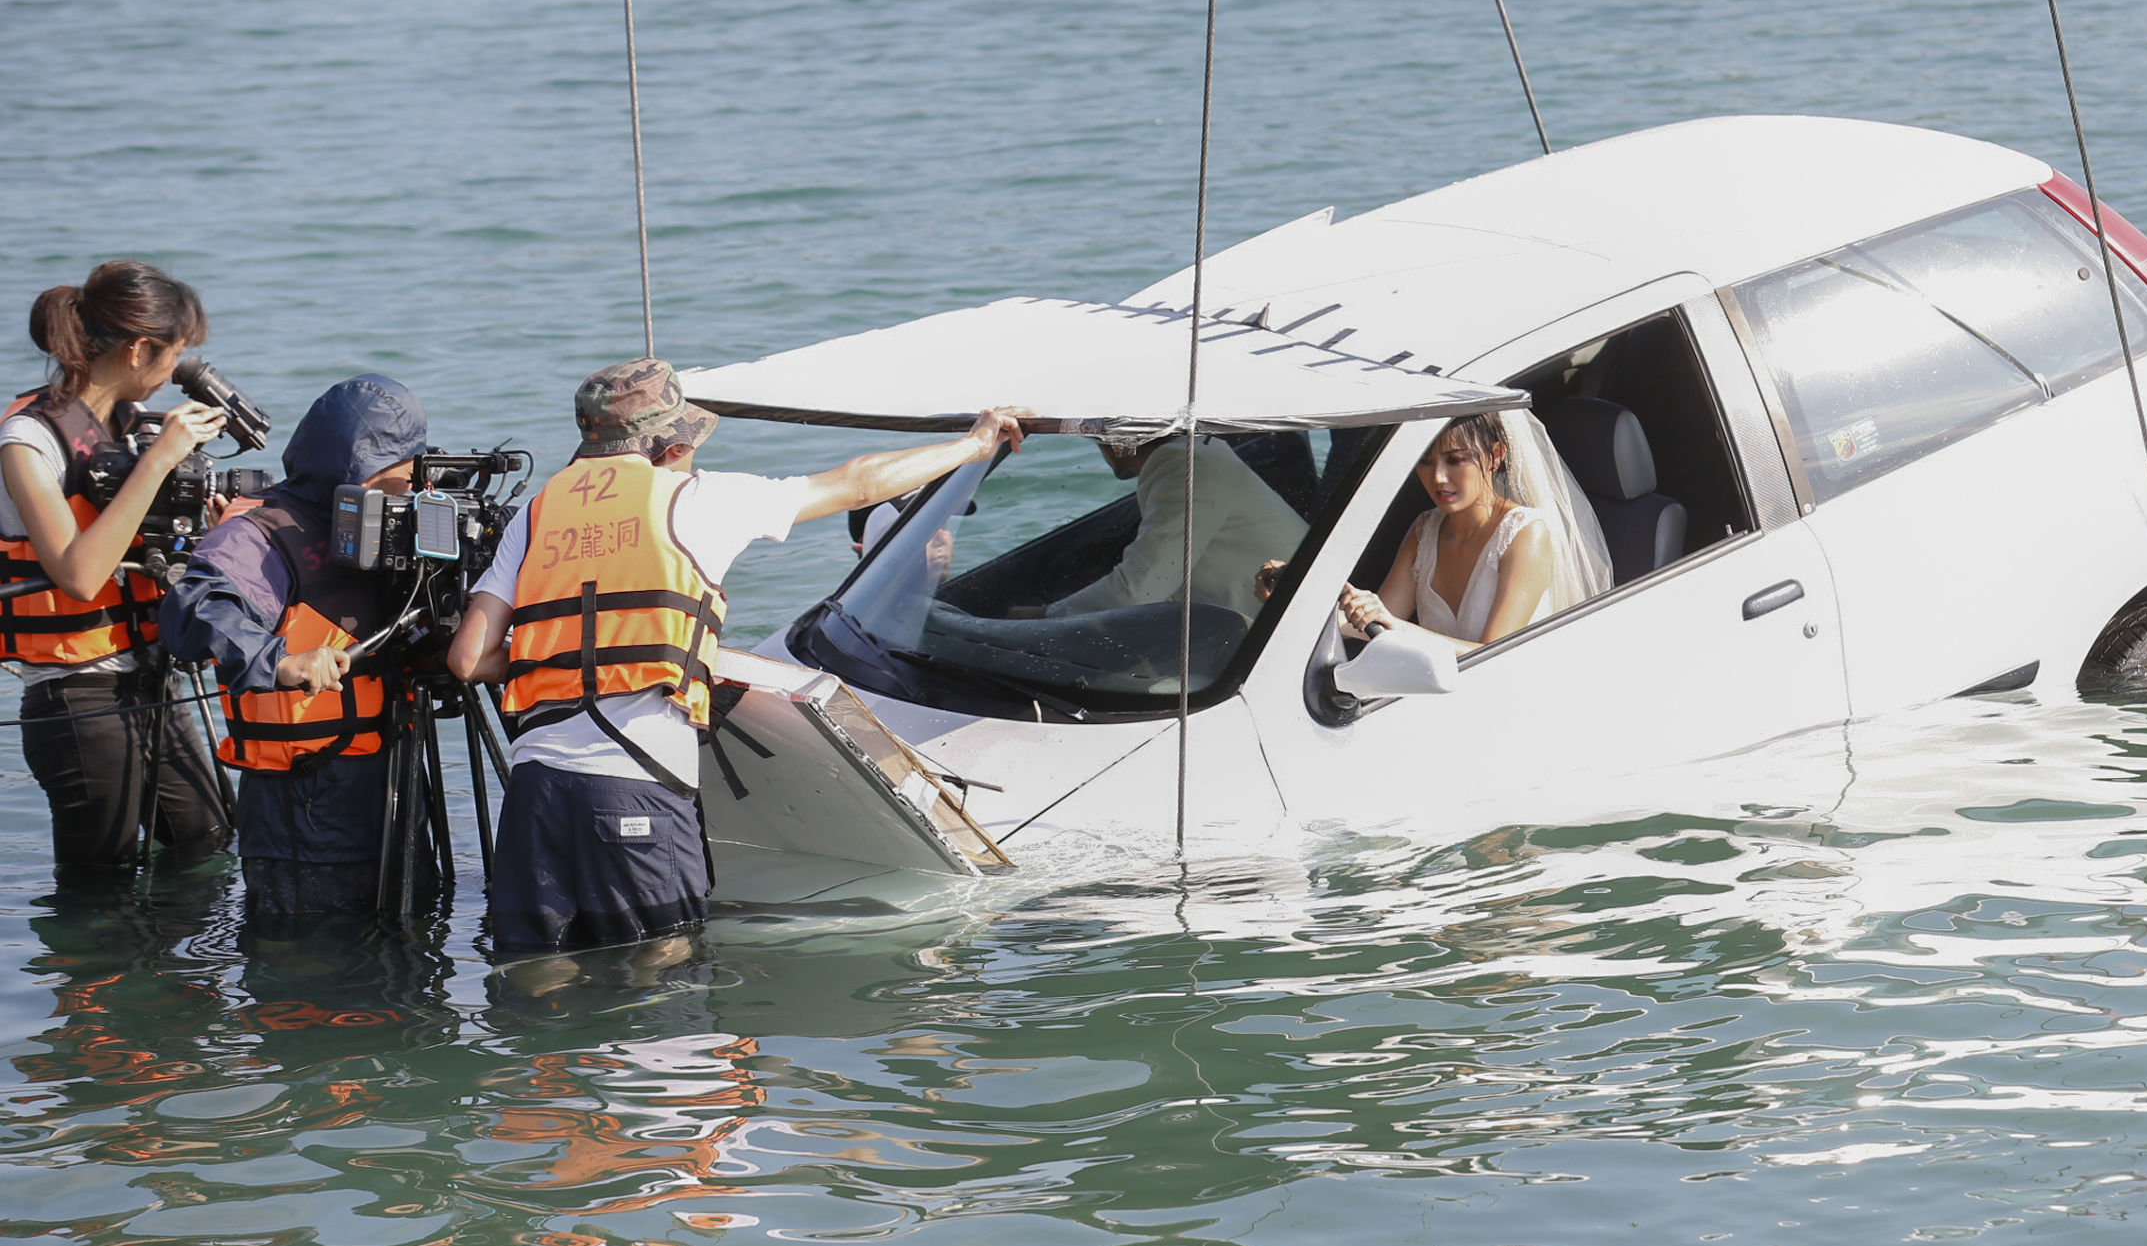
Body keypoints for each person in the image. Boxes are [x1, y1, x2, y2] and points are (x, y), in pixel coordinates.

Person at [447, 356, 1028, 970]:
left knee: (538, 974)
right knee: (661, 976)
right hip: (634, 790)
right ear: (671, 446)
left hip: (535, 789)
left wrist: (565, 658)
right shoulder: (700, 499)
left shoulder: (538, 514)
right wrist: (974, 443)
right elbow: (859, 483)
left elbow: (468, 658)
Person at [157, 375, 432, 921]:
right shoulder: (258, 534)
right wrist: (278, 662)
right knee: (309, 980)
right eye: (395, 479)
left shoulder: (380, 525)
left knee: (402, 967)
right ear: (352, 468)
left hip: (388, 786)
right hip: (305, 806)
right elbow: (193, 609)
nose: (406, 491)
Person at [2, 263, 231, 869]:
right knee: (98, 891)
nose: (173, 375)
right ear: (137, 349)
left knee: (205, 849)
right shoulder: (29, 441)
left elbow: (139, 545)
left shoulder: (128, 430)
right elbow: (77, 573)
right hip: (77, 698)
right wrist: (160, 460)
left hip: (149, 678)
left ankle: (181, 968)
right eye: (174, 356)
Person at [1330, 411, 1612, 651]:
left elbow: (1492, 657)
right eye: (1425, 461)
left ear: (1495, 455)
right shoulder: (1423, 532)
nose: (1438, 477)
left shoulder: (1526, 534)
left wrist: (1398, 628)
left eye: (1455, 460)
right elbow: (1372, 625)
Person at [1022, 433, 1307, 624]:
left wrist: (1043, 618)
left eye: (1096, 435)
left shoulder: (1184, 465)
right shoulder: (1197, 454)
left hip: (1275, 640)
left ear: (1118, 439)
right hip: (1263, 627)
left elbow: (1140, 590)